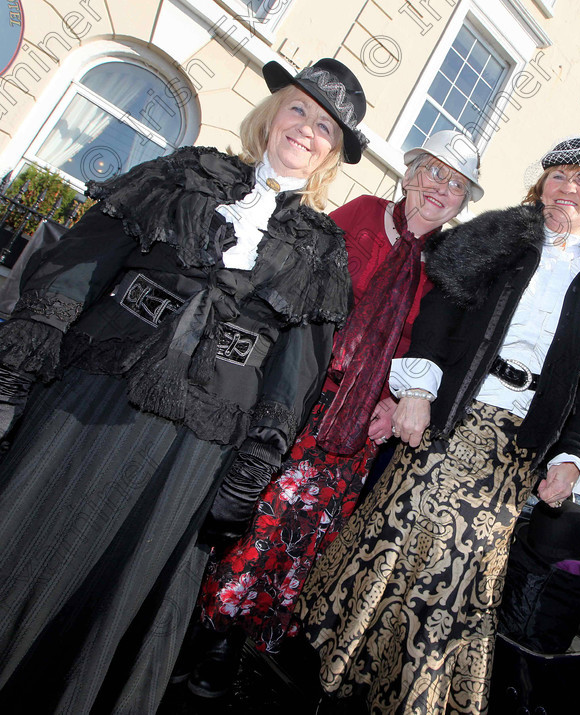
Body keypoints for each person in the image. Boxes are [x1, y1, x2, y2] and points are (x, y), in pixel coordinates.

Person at [0, 57, 367, 714]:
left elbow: (293, 379)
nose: (307, 130)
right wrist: (16, 369)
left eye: (325, 129)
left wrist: (252, 467)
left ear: (331, 154)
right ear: (274, 112)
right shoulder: (187, 170)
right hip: (89, 395)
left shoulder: (322, 249)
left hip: (189, 454)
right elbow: (78, 266)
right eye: (300, 110)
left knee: (108, 600)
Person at [297, 136, 580, 714]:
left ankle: (403, 695)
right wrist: (417, 389)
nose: (568, 189)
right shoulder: (498, 237)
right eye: (558, 176)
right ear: (540, 186)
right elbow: (441, 308)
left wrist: (573, 453)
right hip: (450, 409)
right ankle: (332, 670)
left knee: (458, 569)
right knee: (400, 537)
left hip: (517, 444)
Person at [182, 130, 484, 698]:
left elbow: (431, 345)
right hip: (299, 386)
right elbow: (303, 282)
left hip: (359, 419)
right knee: (245, 503)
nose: (441, 187)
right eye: (433, 171)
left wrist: (393, 401)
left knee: (296, 531)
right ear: (408, 173)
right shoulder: (364, 214)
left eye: (456, 183)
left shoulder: (448, 269)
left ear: (464, 203)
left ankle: (231, 637)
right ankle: (190, 618)